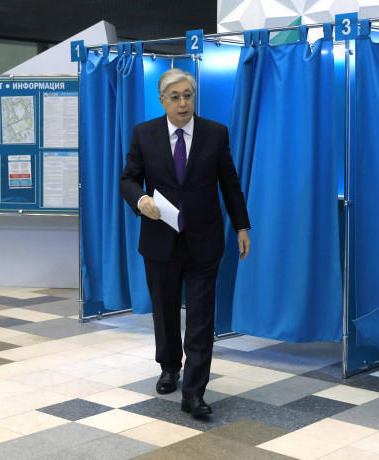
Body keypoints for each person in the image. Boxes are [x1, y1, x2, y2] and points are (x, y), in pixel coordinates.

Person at [120, 68, 251, 417]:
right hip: (160, 238)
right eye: (175, 97)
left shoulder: (214, 133)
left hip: (204, 241)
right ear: (162, 100)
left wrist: (241, 226)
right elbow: (128, 179)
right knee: (164, 311)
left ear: (194, 98)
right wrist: (140, 200)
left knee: (201, 317)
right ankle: (168, 365)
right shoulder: (144, 134)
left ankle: (194, 391)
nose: (182, 103)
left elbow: (230, 183)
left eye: (188, 96)